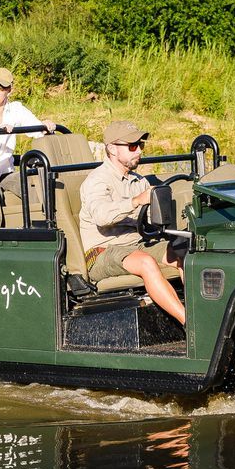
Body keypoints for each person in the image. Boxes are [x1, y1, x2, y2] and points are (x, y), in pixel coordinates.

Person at [78, 120, 185, 326]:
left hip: (137, 244)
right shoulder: (97, 181)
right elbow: (102, 216)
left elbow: (151, 221)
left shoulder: (139, 181)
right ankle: (189, 324)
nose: (138, 152)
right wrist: (136, 201)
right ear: (111, 149)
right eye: (132, 146)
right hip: (103, 251)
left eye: (141, 146)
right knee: (146, 262)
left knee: (184, 252)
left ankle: (205, 315)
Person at [0, 67, 54, 180]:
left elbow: (39, 131)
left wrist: (46, 127)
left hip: (5, 174)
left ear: (9, 90)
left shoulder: (16, 110)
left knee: (31, 187)